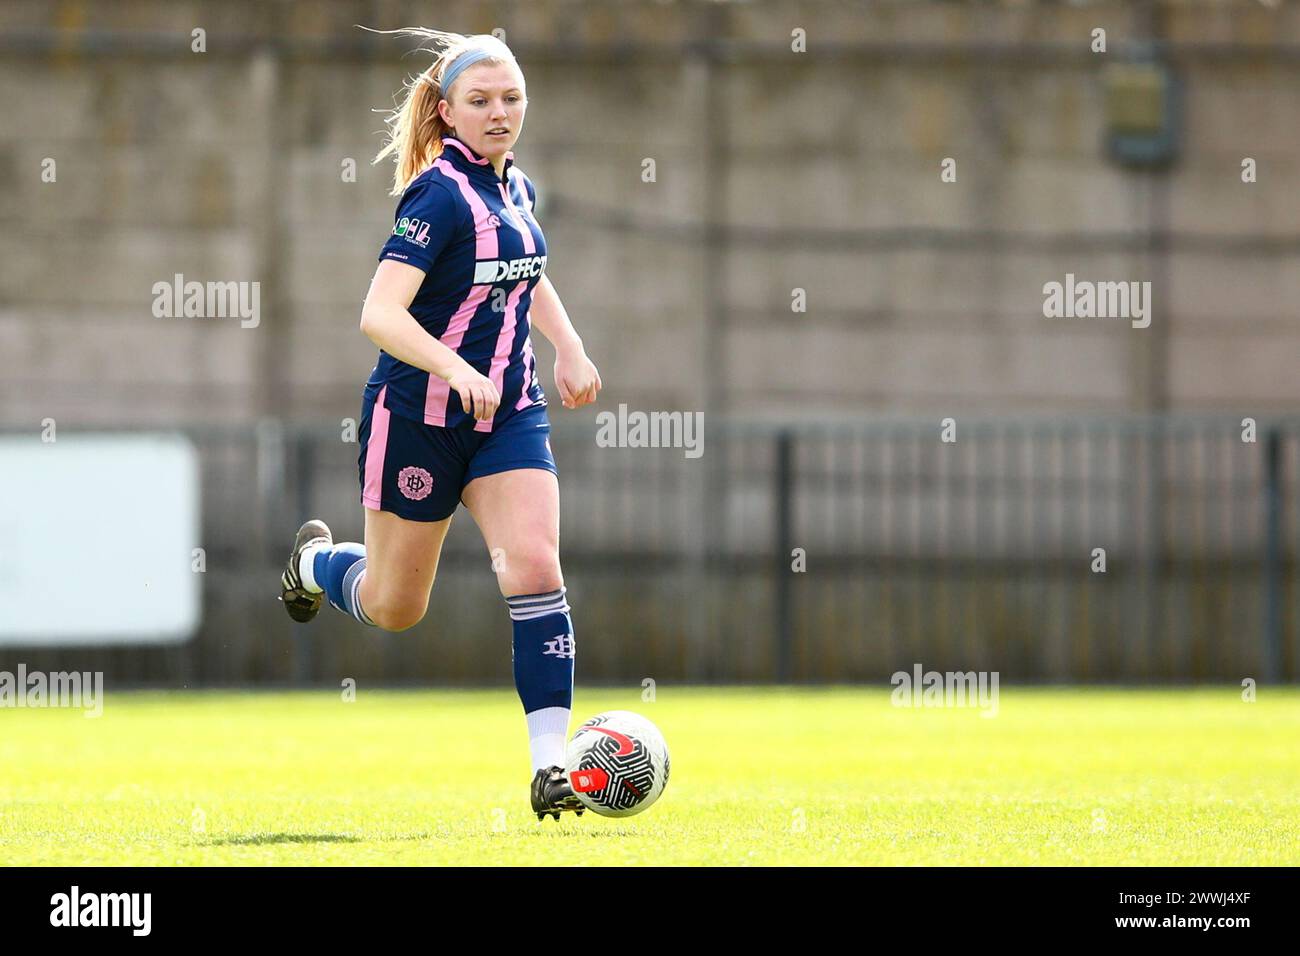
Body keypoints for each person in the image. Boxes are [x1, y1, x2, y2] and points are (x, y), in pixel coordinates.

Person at [277, 29, 602, 821]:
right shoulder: (437, 194)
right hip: (417, 420)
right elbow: (378, 314)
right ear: (448, 111)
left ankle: (548, 766)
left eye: (512, 98)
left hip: (508, 414)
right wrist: (454, 369)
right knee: (395, 607)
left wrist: (569, 347)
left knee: (533, 567)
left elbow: (525, 275)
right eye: (482, 101)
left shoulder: (514, 186)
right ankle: (318, 565)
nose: (500, 114)